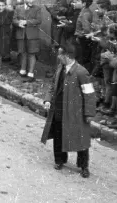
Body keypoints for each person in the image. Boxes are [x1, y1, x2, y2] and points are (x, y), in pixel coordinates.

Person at [41, 42, 96, 178]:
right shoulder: (60, 68)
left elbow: (89, 94)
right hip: (59, 109)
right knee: (59, 136)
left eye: (60, 53)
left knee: (81, 140)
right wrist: (47, 99)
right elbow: (52, 86)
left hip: (76, 113)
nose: (58, 56)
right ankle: (59, 160)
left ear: (67, 56)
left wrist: (89, 113)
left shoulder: (82, 72)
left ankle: (84, 166)